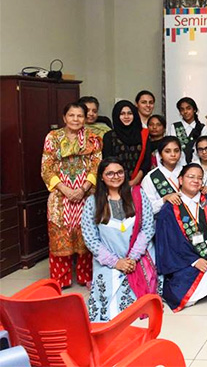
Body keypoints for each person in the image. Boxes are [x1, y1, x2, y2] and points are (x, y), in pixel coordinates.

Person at [81, 158, 158, 321]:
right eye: (110, 173)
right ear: (101, 177)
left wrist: (131, 259)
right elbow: (90, 238)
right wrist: (116, 262)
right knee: (105, 306)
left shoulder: (137, 194)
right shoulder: (92, 202)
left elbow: (148, 227)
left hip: (137, 258)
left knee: (132, 304)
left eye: (119, 172)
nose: (115, 176)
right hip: (107, 260)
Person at [156, 164, 207, 312]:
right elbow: (169, 243)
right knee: (184, 298)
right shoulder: (169, 209)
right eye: (191, 177)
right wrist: (194, 261)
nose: (195, 181)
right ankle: (205, 287)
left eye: (199, 178)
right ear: (180, 180)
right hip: (186, 265)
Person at [41, 102, 102, 288]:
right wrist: (66, 190)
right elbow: (46, 168)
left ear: (85, 118)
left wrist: (82, 189)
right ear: (64, 117)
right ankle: (60, 279)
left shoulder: (93, 138)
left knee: (86, 235)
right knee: (60, 236)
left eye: (80, 116)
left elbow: (97, 165)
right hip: (60, 195)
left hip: (86, 193)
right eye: (72, 115)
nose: (76, 119)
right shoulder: (53, 137)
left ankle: (86, 277)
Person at [102, 101, 150, 187]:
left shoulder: (143, 134)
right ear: (117, 116)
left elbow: (146, 162)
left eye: (130, 113)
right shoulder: (109, 136)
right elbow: (107, 161)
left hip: (140, 183)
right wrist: (120, 181)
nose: (126, 117)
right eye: (122, 114)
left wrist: (134, 181)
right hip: (115, 183)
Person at [141, 136, 183, 215]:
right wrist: (164, 199)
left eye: (176, 151)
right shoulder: (151, 177)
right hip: (164, 222)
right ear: (160, 154)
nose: (173, 154)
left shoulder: (188, 172)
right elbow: (147, 210)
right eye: (167, 151)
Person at [167, 97, 205, 163]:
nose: (185, 112)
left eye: (188, 108)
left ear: (194, 110)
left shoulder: (203, 128)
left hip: (197, 164)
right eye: (182, 109)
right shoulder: (175, 127)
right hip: (178, 164)